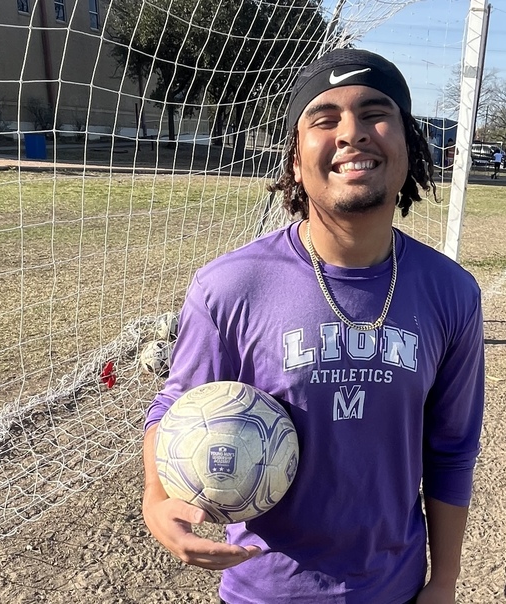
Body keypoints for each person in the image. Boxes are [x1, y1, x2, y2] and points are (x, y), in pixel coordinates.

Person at [142, 48, 485, 604]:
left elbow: (452, 448)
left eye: (376, 113)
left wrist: (443, 581)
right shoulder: (230, 285)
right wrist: (156, 502)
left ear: (409, 147)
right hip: (264, 591)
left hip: (392, 589)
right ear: (296, 161)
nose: (352, 133)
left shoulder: (452, 293)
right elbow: (174, 409)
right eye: (324, 120)